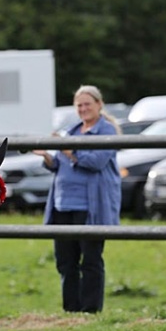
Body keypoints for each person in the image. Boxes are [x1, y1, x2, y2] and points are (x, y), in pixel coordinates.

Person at [34, 84, 121, 313]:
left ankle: (90, 310)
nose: (83, 109)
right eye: (79, 105)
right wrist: (48, 157)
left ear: (99, 105)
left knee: (90, 259)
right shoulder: (72, 131)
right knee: (65, 260)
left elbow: (96, 162)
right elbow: (61, 164)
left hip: (90, 206)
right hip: (63, 204)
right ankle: (71, 310)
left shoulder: (107, 132)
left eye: (87, 104)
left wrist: (66, 150)